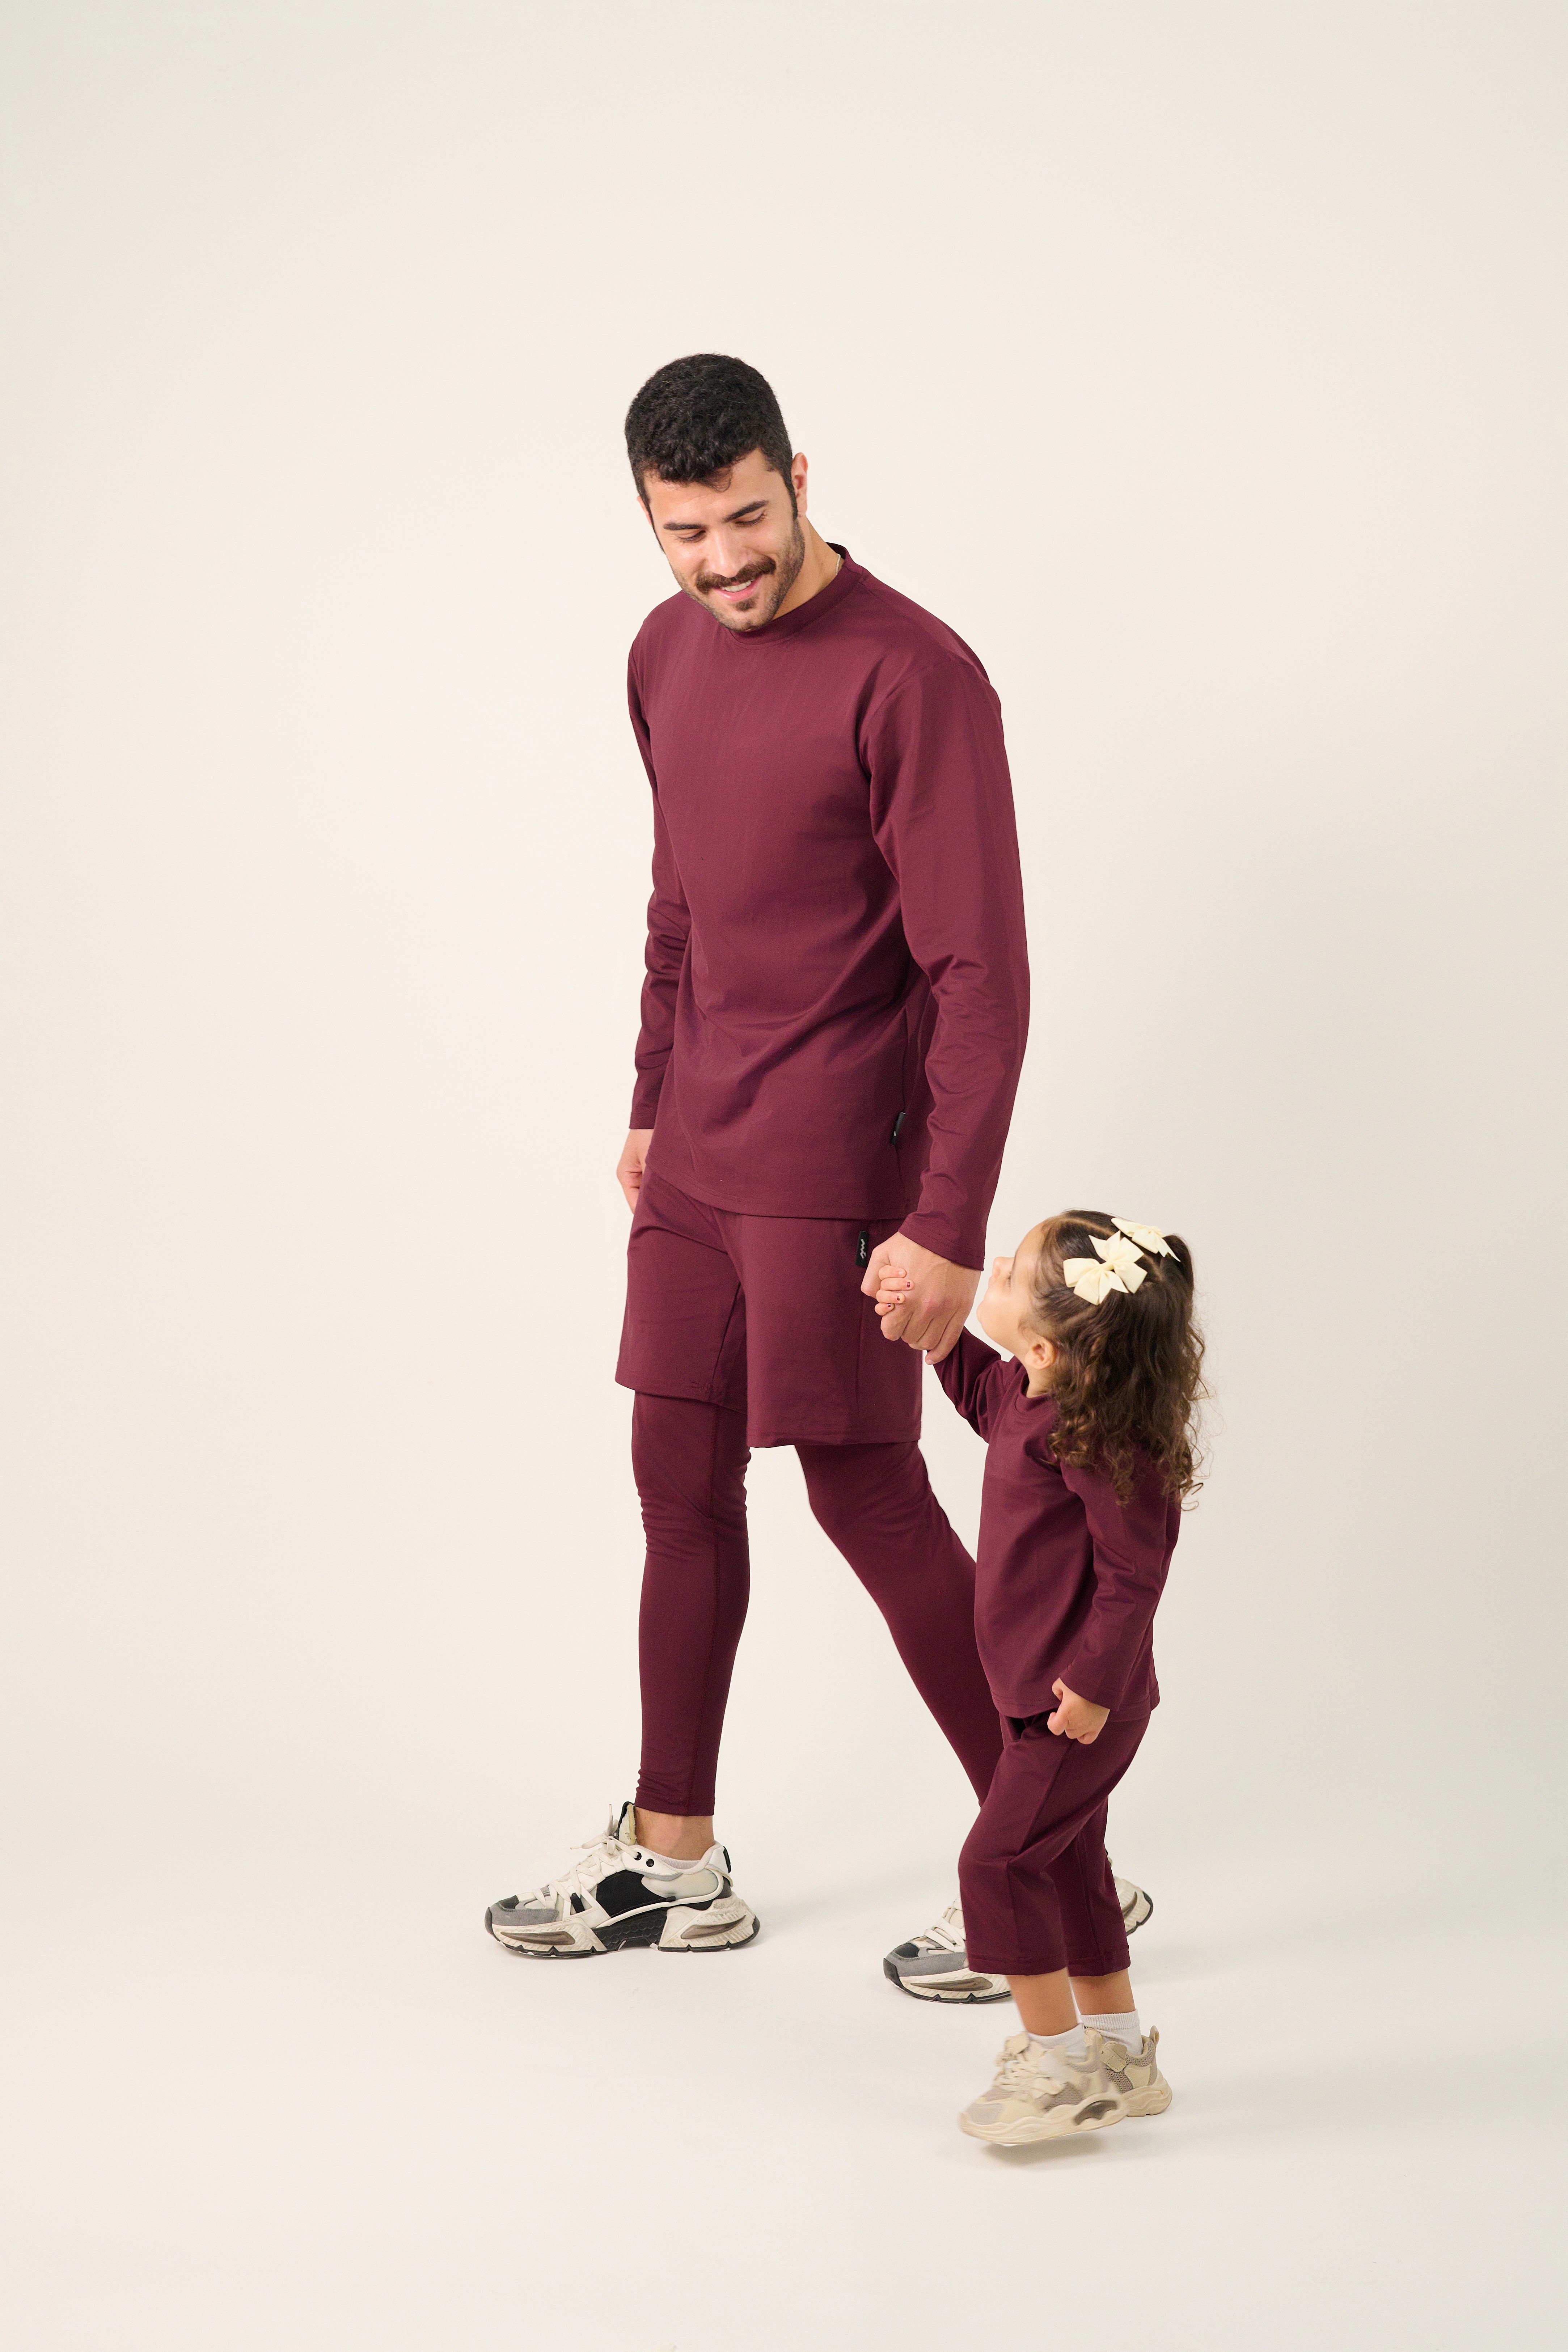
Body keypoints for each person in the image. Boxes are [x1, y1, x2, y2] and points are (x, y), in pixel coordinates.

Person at [484, 353, 1148, 1984]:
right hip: (699, 1156)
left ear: (802, 473)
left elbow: (983, 973)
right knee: (676, 1488)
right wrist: (649, 1093)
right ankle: (673, 1855)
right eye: (684, 531)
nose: (722, 561)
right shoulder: (660, 654)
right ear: (648, 520)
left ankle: (1053, 1860)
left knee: (865, 1495)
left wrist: (946, 1224)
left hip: (844, 1161)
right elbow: (680, 901)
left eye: (748, 518)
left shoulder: (917, 677)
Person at [874, 1210, 1203, 2141]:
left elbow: (1136, 1574)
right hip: (1032, 1696)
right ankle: (1120, 2053)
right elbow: (980, 1392)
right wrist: (931, 1333)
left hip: (1078, 1710)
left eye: (1011, 1274)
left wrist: (1094, 1686)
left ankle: (1058, 2067)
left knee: (996, 1861)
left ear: (1055, 1345)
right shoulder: (1031, 1393)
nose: (995, 1272)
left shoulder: (1107, 1438)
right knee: (1071, 1871)